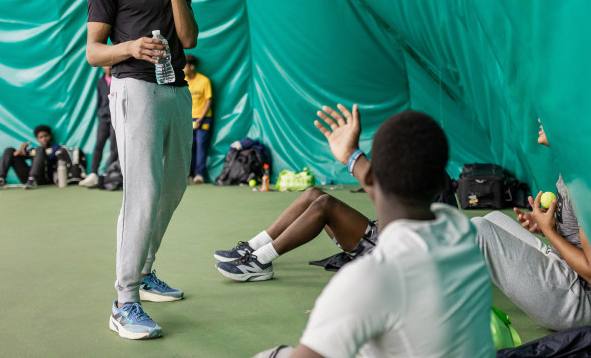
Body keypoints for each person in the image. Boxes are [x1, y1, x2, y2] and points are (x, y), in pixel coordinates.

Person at [255, 104, 494, 357]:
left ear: (368, 178)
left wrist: (354, 158)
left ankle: (257, 259)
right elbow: (388, 190)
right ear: (442, 184)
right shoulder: (463, 235)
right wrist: (351, 155)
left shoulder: (369, 279)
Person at [85, 0, 197, 340]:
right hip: (134, 88)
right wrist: (130, 47)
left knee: (172, 187)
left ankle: (146, 272)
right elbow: (94, 52)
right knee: (144, 190)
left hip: (175, 90)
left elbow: (188, 39)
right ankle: (124, 300)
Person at [471, 121, 591, 331]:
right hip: (564, 269)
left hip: (581, 301)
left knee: (478, 229)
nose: (539, 119)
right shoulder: (571, 168)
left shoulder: (582, 182)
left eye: (547, 115)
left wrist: (549, 232)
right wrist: (547, 225)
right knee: (492, 218)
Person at [214, 185, 376, 281]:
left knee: (325, 204)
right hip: (379, 230)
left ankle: (260, 261)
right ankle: (253, 247)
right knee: (312, 194)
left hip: (381, 247)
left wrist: (351, 155)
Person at [0, 125, 70, 190]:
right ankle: (0, 179)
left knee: (40, 150)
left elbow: (50, 156)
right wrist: (22, 149)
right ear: (37, 139)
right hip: (27, 179)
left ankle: (32, 179)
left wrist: (38, 152)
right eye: (41, 137)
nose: (44, 139)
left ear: (50, 136)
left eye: (46, 136)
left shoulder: (56, 147)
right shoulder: (34, 150)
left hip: (44, 178)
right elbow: (22, 155)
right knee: (10, 150)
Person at [80, 66, 119, 187]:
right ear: (102, 67)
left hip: (116, 118)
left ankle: (108, 174)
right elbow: (99, 100)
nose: (108, 67)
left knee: (114, 147)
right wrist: (100, 113)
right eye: (105, 65)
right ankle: (93, 174)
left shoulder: (118, 79)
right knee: (98, 145)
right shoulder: (100, 81)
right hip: (103, 119)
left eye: (110, 64)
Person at [184, 54, 212, 184]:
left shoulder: (204, 81)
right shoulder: (182, 81)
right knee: (189, 147)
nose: (182, 69)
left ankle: (199, 175)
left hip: (203, 119)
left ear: (192, 66)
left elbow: (208, 100)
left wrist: (200, 118)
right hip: (187, 120)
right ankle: (189, 174)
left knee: (201, 146)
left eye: (185, 66)